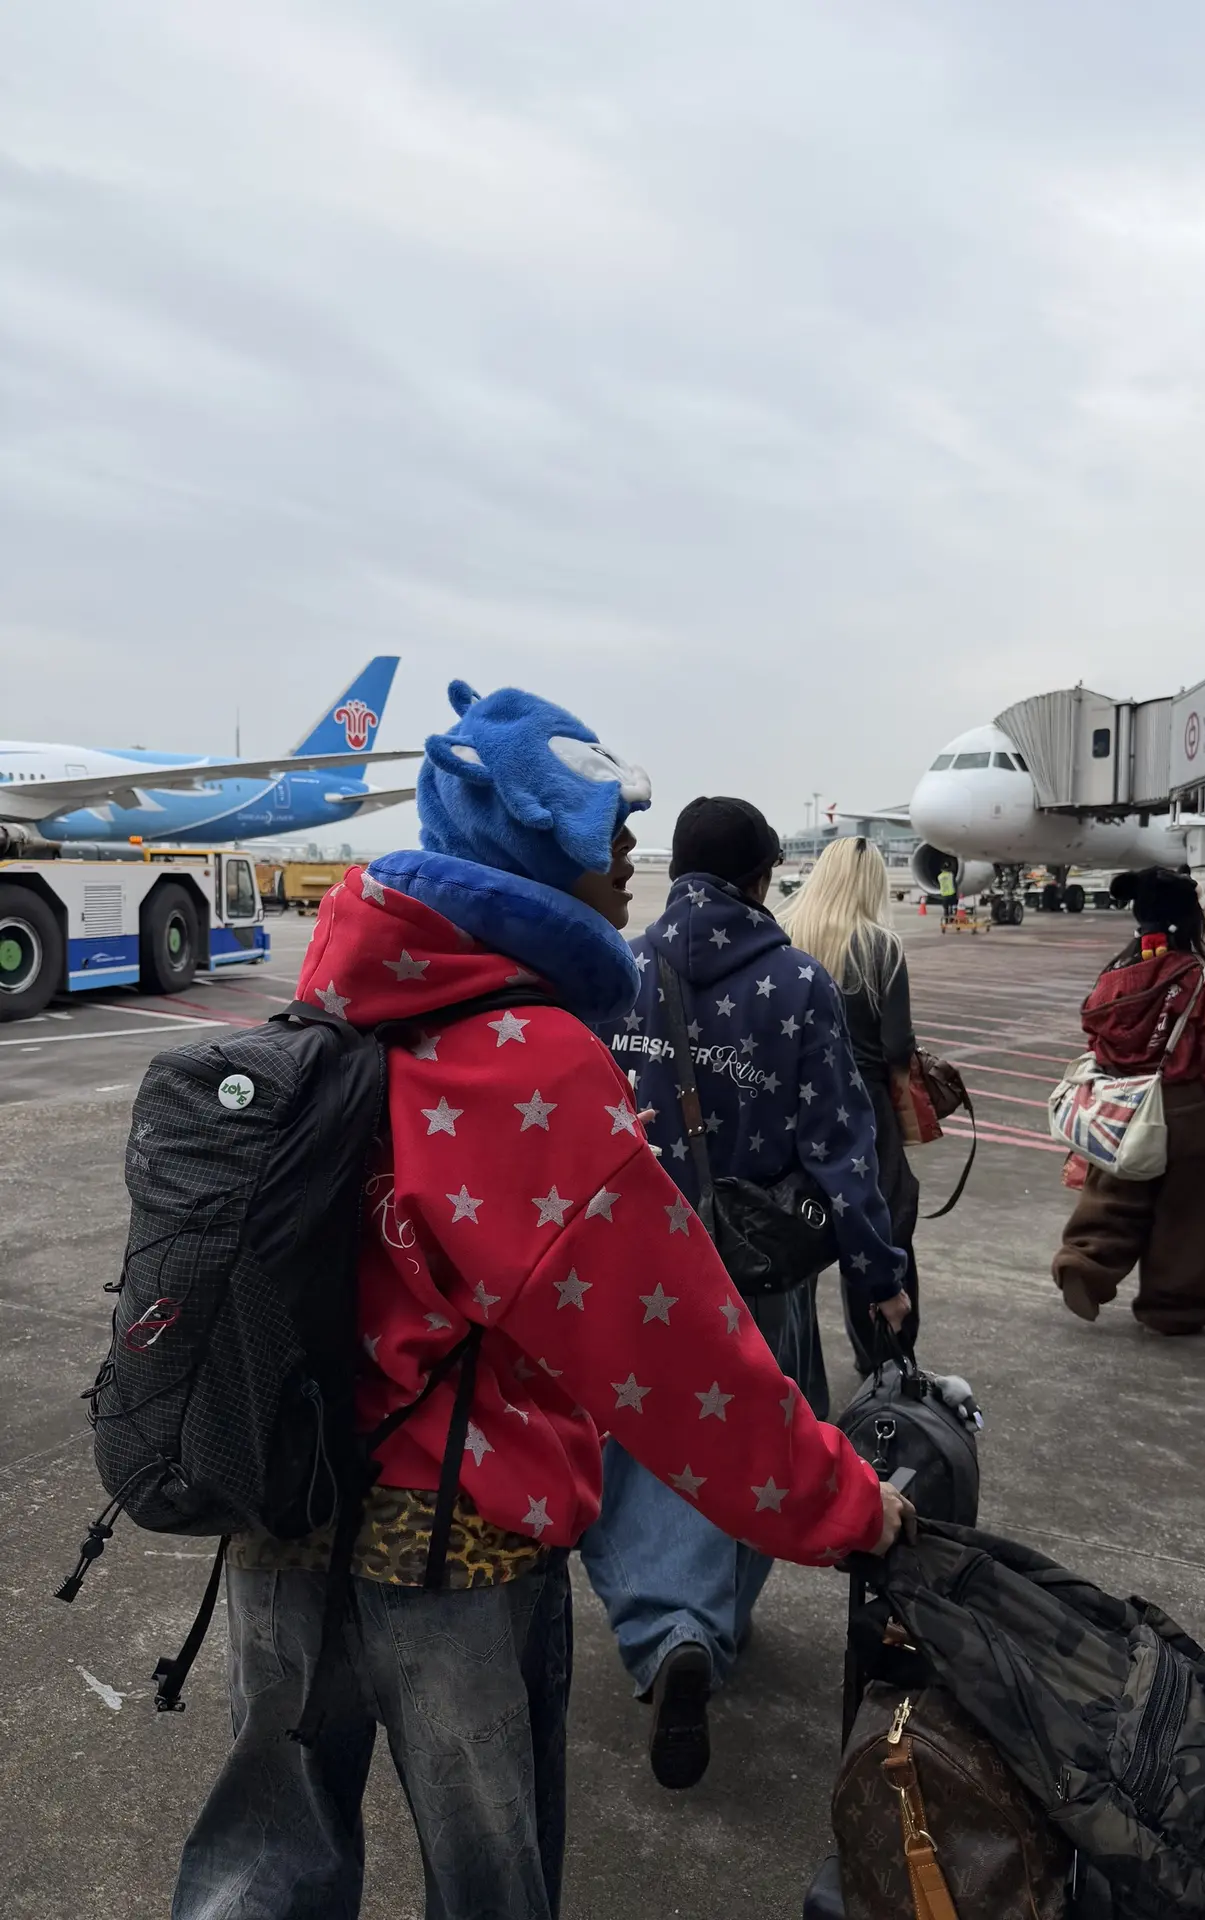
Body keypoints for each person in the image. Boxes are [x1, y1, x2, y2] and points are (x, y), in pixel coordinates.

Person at [172, 689, 911, 1920]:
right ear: (531, 843)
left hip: (282, 1501)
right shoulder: (532, 1058)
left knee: (263, 1871)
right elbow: (676, 1353)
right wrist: (842, 1503)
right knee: (489, 1880)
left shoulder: (342, 1003)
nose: (630, 857)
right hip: (453, 1545)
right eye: (607, 832)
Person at [585, 796, 910, 1790]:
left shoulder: (616, 970)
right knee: (760, 1435)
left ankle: (670, 1629)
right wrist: (880, 1275)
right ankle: (707, 1618)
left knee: (645, 1450)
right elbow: (842, 1147)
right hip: (753, 1269)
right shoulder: (800, 984)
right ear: (765, 876)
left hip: (640, 1262)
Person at [1051, 867, 1205, 1336]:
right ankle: (1172, 1306)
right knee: (1188, 1214)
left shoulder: (1112, 978)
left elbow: (1097, 1040)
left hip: (1121, 1109)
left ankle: (1085, 1264)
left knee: (1112, 1198)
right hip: (1184, 1112)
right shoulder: (1199, 980)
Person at [779, 835, 921, 1372]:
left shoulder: (786, 932)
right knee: (884, 1226)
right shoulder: (882, 947)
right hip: (865, 1107)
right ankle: (883, 1361)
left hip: (793, 1104)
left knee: (794, 1233)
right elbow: (896, 1046)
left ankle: (796, 1366)